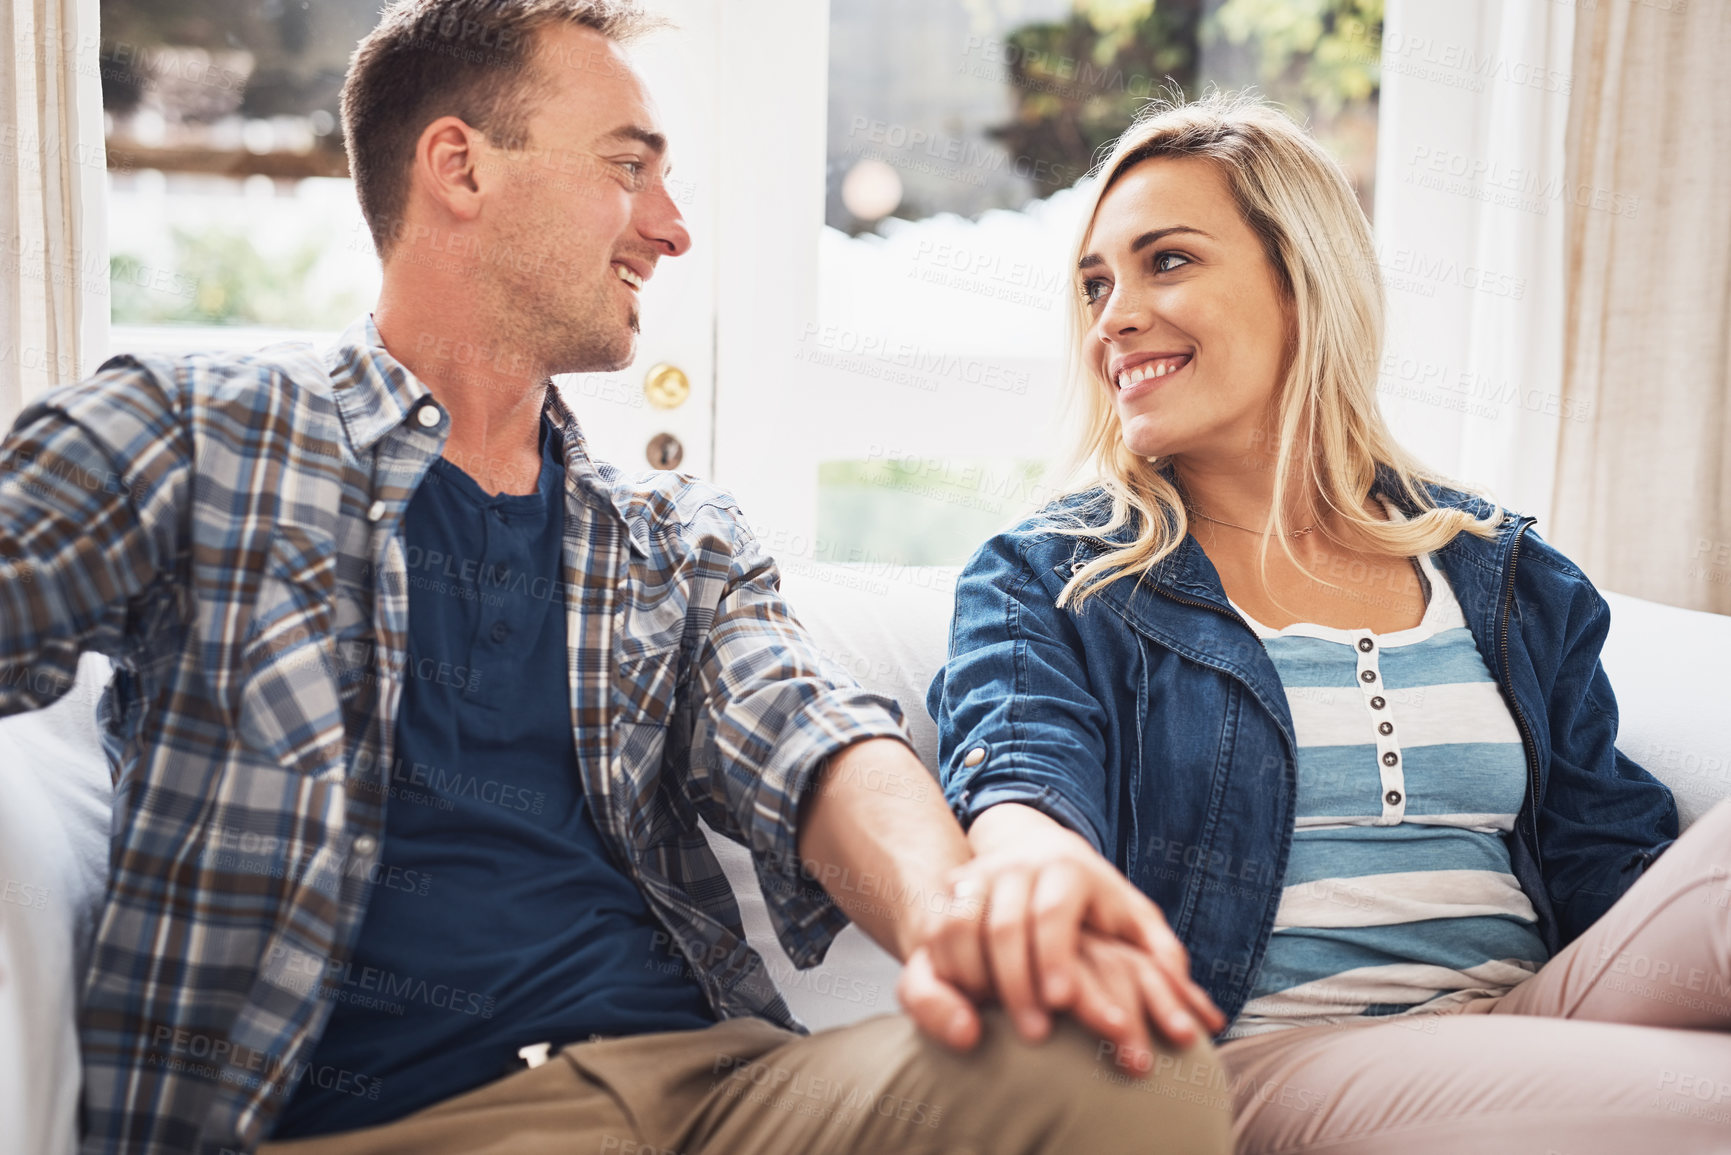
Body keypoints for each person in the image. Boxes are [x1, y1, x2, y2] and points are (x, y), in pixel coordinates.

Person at [0, 4, 1233, 1152]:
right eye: (628, 167)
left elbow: (808, 735)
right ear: (461, 166)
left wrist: (952, 908)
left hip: (712, 1091)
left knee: (1129, 1060)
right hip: (402, 1122)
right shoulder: (196, 432)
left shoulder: (669, 538)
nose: (671, 225)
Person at [927, 91, 1731, 1154]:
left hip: (1544, 1021)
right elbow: (1023, 771)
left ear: (1302, 283)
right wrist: (1024, 859)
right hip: (1267, 1066)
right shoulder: (1053, 580)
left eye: (1165, 261)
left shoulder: (1502, 573)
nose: (1111, 316)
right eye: (1094, 284)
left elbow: (1606, 858)